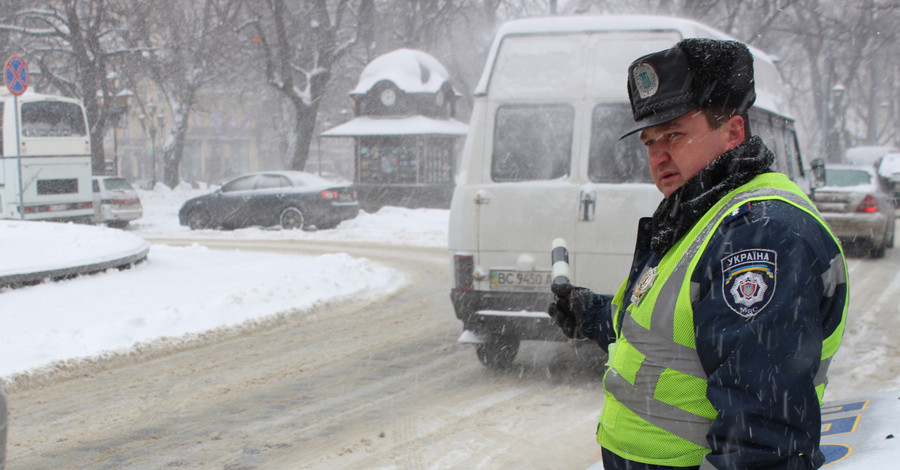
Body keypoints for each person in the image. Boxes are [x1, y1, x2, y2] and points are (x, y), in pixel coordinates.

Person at [549, 38, 848, 470]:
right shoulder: (700, 212)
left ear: (734, 132)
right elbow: (673, 337)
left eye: (675, 134)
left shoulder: (758, 235)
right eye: (650, 141)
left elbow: (761, 439)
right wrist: (590, 313)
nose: (659, 156)